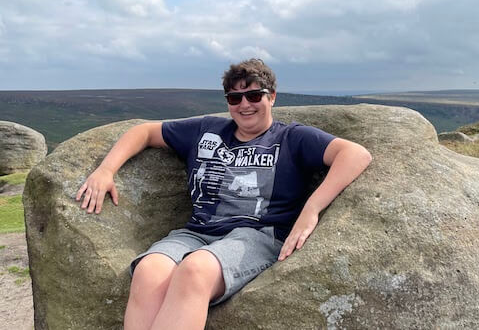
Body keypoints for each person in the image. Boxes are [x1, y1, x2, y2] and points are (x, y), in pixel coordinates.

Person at [76, 59, 372, 330]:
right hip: (197, 233)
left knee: (195, 270)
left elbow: (355, 155)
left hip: (256, 235)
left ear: (272, 97)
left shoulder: (291, 138)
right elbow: (143, 131)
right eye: (234, 98)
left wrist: (312, 209)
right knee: (148, 271)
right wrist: (106, 170)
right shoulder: (207, 130)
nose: (245, 105)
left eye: (254, 95)